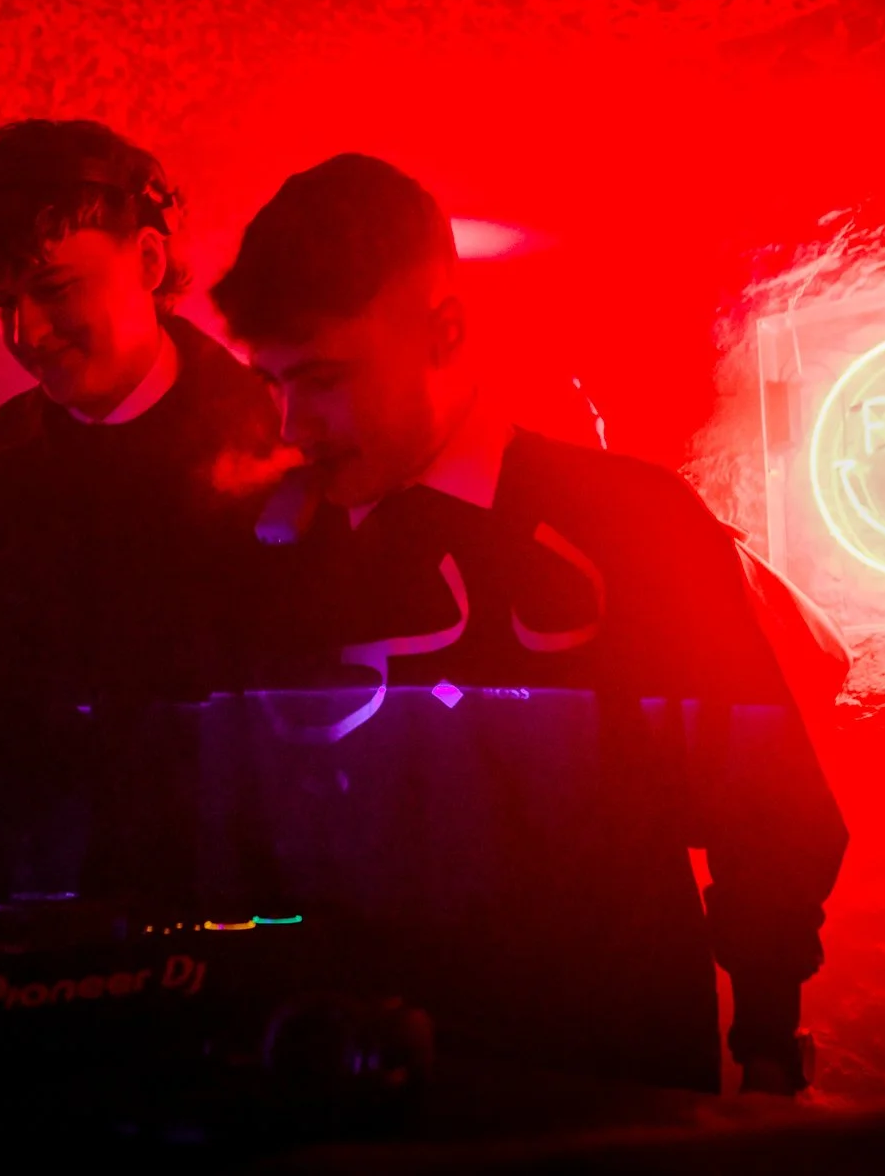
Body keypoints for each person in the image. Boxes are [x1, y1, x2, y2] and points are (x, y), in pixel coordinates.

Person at [206, 154, 848, 1094]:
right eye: (272, 383)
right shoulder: (273, 559)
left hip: (603, 1091)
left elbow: (769, 808)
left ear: (446, 331)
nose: (294, 422)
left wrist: (765, 1045)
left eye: (327, 378)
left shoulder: (635, 523)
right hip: (340, 1098)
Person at [0, 119, 282, 909]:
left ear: (148, 259)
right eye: (6, 301)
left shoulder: (275, 433)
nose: (25, 333)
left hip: (218, 907)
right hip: (14, 898)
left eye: (55, 288)